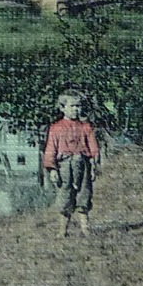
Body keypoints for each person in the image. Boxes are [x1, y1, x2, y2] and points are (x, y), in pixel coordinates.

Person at [42, 90, 101, 238]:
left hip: (83, 165)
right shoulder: (56, 128)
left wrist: (94, 166)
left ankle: (85, 229)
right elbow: (50, 149)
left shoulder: (86, 127)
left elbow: (93, 148)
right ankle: (63, 230)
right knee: (65, 196)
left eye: (78, 106)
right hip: (64, 167)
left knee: (84, 195)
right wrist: (52, 169)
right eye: (72, 106)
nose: (76, 109)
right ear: (62, 108)